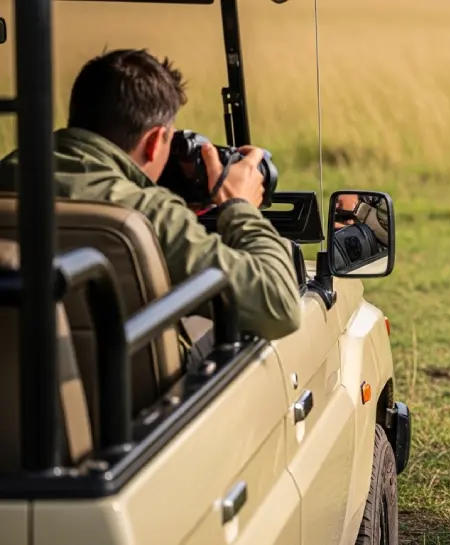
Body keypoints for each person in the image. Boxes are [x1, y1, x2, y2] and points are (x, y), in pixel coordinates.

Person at [0, 48, 302, 349]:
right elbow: (279, 307)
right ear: (155, 141)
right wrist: (239, 206)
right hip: (126, 379)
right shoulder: (150, 215)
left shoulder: (7, 175)